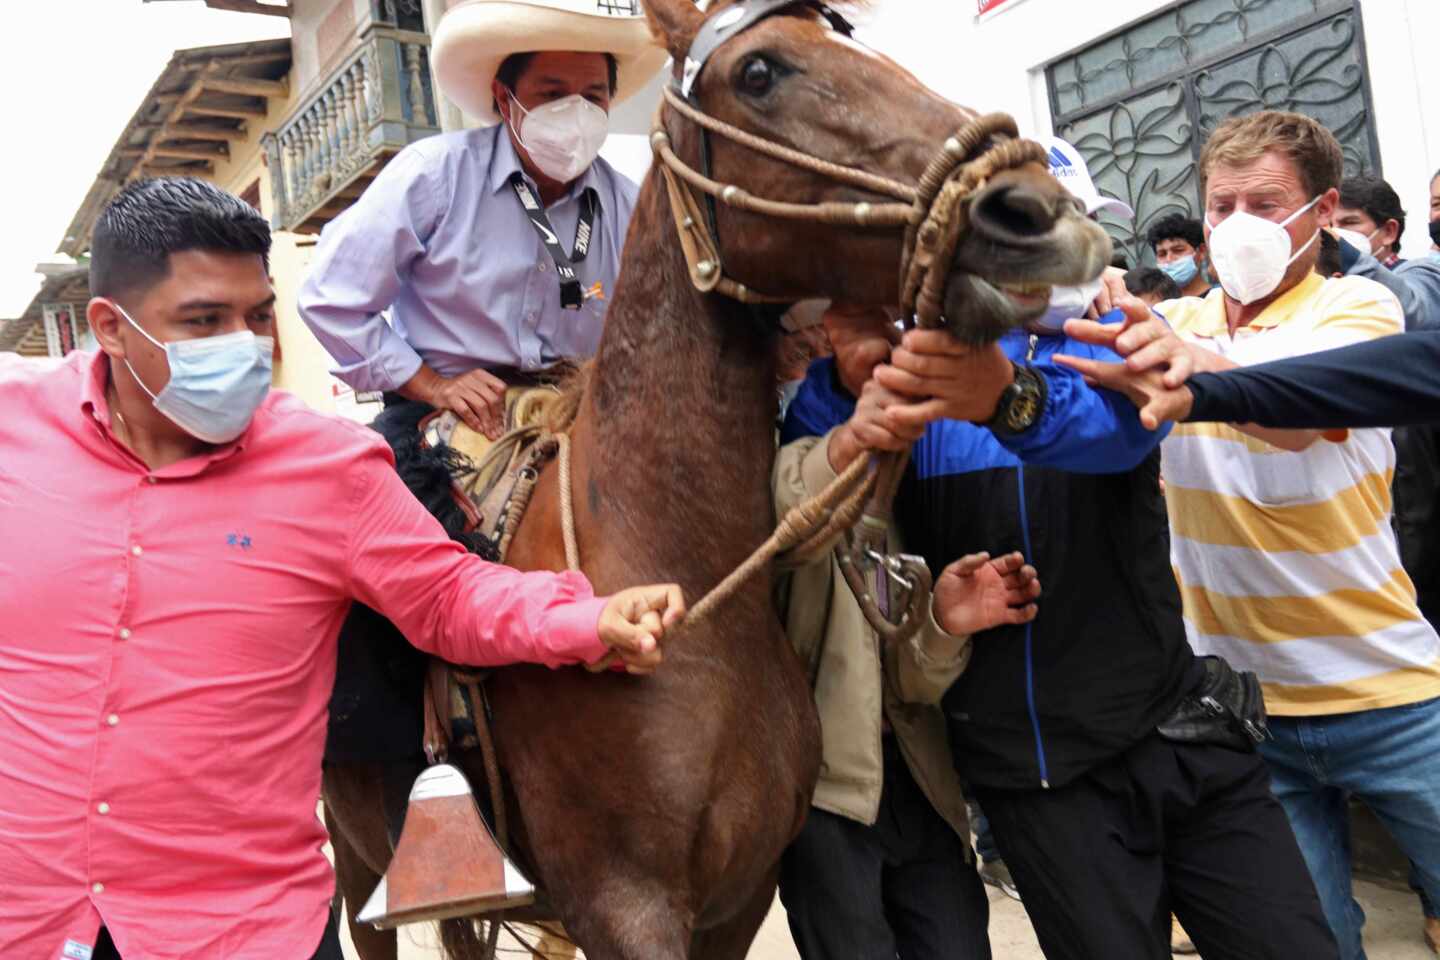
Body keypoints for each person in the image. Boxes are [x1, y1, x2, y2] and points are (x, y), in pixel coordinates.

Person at [0, 177, 685, 960]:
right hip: (29, 921)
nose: (245, 344)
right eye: (202, 321)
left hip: (240, 934)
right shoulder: (14, 430)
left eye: (258, 316)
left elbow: (448, 595)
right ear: (110, 328)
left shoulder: (330, 467)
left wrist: (586, 617)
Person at [780, 139, 1338, 960]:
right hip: (1039, 778)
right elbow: (803, 500)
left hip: (1182, 730)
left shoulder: (1118, 335)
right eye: (1040, 230)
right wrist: (851, 366)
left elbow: (1121, 433)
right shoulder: (906, 367)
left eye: (1079, 223)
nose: (1070, 249)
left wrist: (1005, 397)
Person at [1055, 110, 1440, 960]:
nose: (1234, 227)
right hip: (1247, 717)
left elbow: (1298, 414)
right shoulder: (1180, 324)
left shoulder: (1359, 309)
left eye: (1262, 205)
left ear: (1322, 209)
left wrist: (1188, 369)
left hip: (1391, 695)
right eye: (1219, 206)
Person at [774, 303, 1043, 960]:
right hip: (825, 793)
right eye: (811, 331)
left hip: (920, 777)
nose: (822, 343)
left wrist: (949, 623)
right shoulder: (776, 462)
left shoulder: (910, 483)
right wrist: (845, 439)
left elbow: (912, 681)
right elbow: (792, 524)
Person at [298, 0, 665, 441]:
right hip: (439, 414)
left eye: (592, 97)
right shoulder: (433, 177)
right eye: (551, 95)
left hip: (578, 421)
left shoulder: (631, 206)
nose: (576, 113)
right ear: (502, 97)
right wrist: (431, 383)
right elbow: (331, 298)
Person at [1336, 174, 1406, 268]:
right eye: (1329, 224)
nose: (1333, 232)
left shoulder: (1416, 274)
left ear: (1389, 231)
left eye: (1349, 222)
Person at [1146, 212, 1213, 298]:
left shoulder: (1220, 300)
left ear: (1201, 251)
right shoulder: (1159, 308)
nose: (1169, 259)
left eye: (1178, 250)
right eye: (1162, 254)